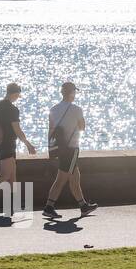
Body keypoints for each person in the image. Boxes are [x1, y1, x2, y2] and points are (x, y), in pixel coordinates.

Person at [43, 81, 99, 218]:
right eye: (74, 92)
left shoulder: (53, 109)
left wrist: (52, 149)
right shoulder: (77, 109)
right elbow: (82, 127)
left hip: (60, 148)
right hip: (71, 148)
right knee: (62, 178)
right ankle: (49, 207)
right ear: (72, 93)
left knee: (75, 177)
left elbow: (51, 130)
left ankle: (83, 206)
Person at [0, 82, 36, 215]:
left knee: (12, 176)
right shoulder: (12, 109)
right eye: (18, 95)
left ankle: (14, 204)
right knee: (5, 175)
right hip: (6, 144)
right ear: (14, 94)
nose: (18, 97)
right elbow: (17, 129)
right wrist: (28, 144)